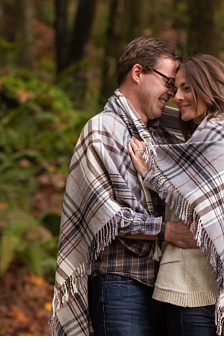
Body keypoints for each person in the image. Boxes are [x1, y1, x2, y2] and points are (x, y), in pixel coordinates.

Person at [50, 37, 199, 336]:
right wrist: (168, 231)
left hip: (168, 285)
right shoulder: (102, 129)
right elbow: (108, 217)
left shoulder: (166, 132)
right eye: (168, 82)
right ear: (137, 73)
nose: (171, 93)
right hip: (120, 283)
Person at [127, 54, 224, 336]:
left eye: (187, 88)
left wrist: (149, 170)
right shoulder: (206, 134)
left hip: (192, 287)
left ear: (209, 87)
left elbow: (189, 197)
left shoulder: (216, 135)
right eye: (176, 88)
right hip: (189, 284)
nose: (177, 97)